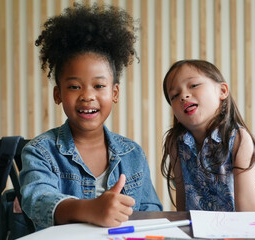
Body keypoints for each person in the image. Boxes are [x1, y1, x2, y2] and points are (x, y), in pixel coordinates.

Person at [20, 3, 162, 231]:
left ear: (114, 93)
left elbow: (151, 212)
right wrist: (91, 209)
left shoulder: (133, 154)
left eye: (98, 85)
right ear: (58, 95)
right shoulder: (40, 151)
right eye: (74, 86)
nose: (87, 96)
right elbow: (38, 200)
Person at [161, 59, 255, 212]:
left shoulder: (238, 138)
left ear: (222, 91)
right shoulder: (175, 142)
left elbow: (249, 210)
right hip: (204, 230)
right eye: (174, 95)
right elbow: (183, 198)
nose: (183, 96)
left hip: (249, 225)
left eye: (194, 85)